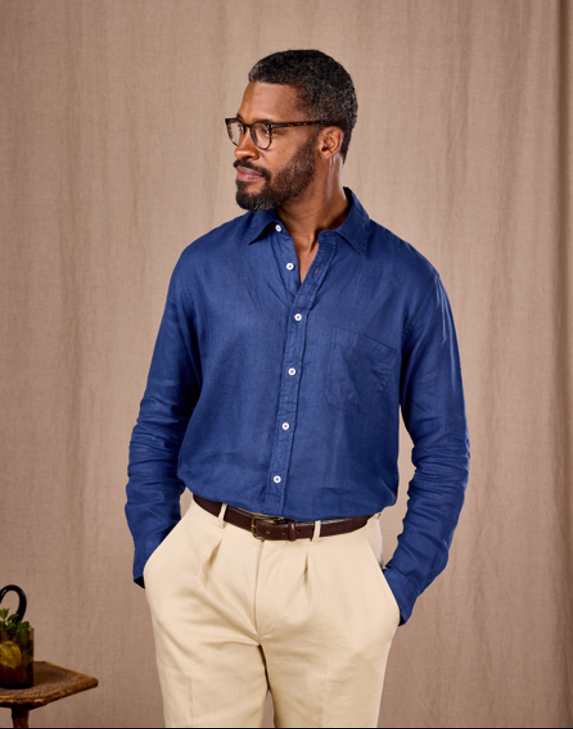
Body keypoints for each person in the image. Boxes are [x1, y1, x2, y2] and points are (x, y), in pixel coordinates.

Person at [124, 48, 470, 728]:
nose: (243, 148)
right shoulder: (203, 266)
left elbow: (445, 450)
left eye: (267, 131)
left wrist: (394, 591)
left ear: (327, 140)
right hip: (204, 565)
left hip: (337, 580)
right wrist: (157, 554)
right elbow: (160, 417)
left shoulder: (407, 282)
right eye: (241, 127)